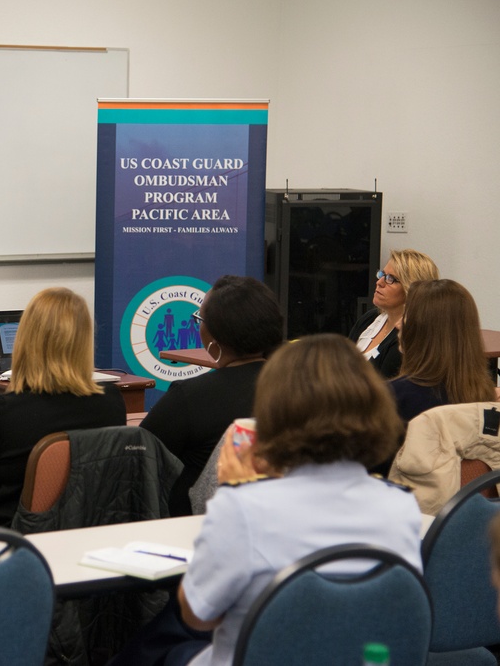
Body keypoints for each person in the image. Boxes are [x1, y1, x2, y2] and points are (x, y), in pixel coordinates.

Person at [110, 334, 423, 666]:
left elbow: (197, 615)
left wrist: (231, 493)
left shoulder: (245, 508)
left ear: (275, 411)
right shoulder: (400, 506)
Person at [0, 287, 127, 528]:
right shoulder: (111, 402)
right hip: (80, 537)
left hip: (0, 543)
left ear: (25, 340)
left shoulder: (5, 414)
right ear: (85, 341)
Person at [139, 276, 282, 516]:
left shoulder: (188, 398)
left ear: (215, 334)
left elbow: (139, 459)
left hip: (195, 528)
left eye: (200, 319)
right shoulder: (298, 389)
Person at [390, 279, 496, 422]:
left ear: (423, 329)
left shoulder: (394, 396)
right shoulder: (485, 395)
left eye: (406, 315)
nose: (398, 324)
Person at [348, 248, 439, 378]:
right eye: (382, 275)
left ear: (412, 289)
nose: (379, 282)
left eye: (390, 279)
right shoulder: (370, 318)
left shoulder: (409, 336)